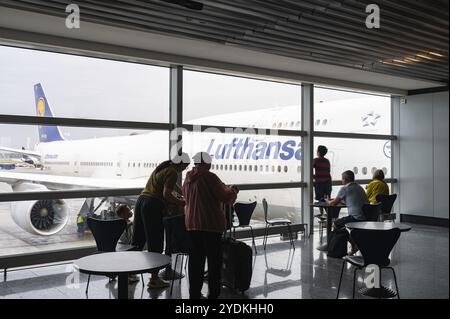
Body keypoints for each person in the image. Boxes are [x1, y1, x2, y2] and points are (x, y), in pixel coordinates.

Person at [183, 152, 239, 299]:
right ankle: (213, 293)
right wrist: (233, 190)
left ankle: (194, 293)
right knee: (214, 262)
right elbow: (225, 197)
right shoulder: (209, 177)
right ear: (207, 163)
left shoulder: (188, 178)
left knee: (196, 261)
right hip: (210, 225)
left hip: (192, 224)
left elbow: (187, 197)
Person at [131, 153, 190, 289]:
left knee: (138, 239)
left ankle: (129, 273)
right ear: (181, 164)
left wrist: (184, 195)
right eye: (185, 167)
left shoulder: (164, 168)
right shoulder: (173, 172)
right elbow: (166, 194)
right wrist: (183, 203)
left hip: (142, 201)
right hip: (152, 205)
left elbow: (172, 186)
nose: (184, 169)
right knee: (155, 242)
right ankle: (154, 279)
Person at [326, 170, 368, 254]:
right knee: (341, 224)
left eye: (342, 179)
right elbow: (354, 200)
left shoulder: (345, 188)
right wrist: (342, 200)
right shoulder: (359, 187)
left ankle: (353, 244)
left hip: (356, 218)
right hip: (366, 217)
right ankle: (354, 244)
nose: (341, 181)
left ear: (345, 179)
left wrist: (327, 200)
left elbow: (333, 204)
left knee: (337, 224)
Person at [116, 204, 140, 284]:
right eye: (128, 210)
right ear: (122, 215)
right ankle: (129, 274)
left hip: (124, 245)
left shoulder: (128, 223)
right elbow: (124, 238)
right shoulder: (123, 224)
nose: (131, 211)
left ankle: (130, 273)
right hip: (124, 245)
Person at [313, 145, 332, 216]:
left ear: (318, 152)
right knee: (327, 199)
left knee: (320, 199)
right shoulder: (327, 161)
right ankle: (329, 213)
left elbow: (309, 168)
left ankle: (321, 213)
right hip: (327, 182)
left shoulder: (316, 160)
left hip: (320, 183)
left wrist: (313, 177)